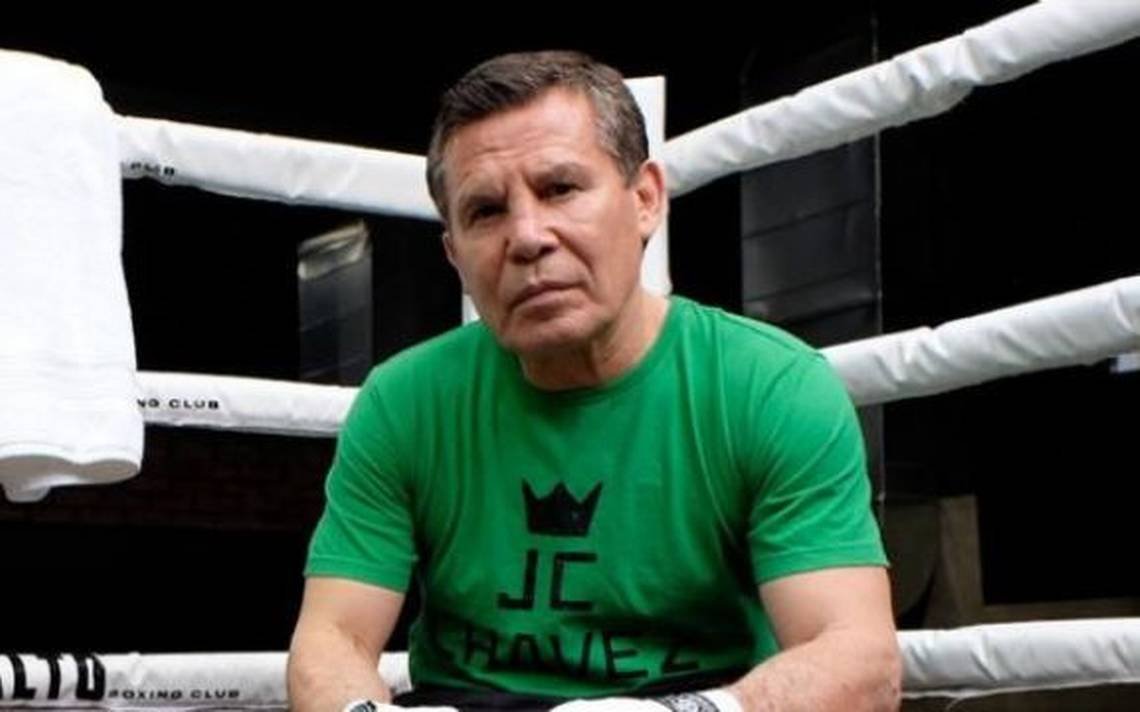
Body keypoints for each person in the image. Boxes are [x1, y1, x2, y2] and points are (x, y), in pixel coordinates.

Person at [287, 50, 901, 712]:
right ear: (454, 253)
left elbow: (859, 660)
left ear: (645, 200)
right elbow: (332, 639)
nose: (527, 237)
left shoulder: (770, 387)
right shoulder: (403, 403)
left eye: (560, 188)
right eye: (486, 211)